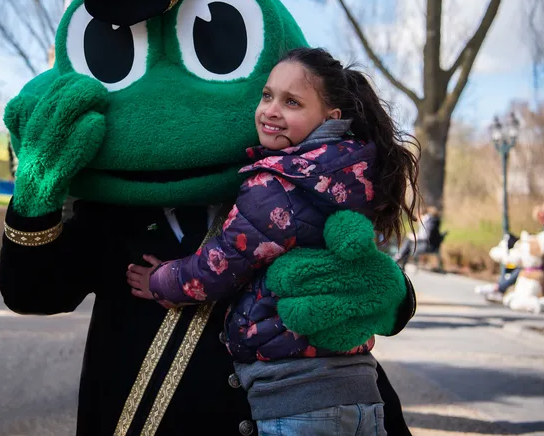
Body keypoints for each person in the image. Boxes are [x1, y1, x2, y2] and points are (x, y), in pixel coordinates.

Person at [0, 0, 416, 435]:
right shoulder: (110, 212)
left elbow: (376, 273)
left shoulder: (310, 181)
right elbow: (32, 293)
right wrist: (35, 193)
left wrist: (385, 294)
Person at [127, 48, 418, 436]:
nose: (271, 110)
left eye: (292, 102)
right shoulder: (356, 174)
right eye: (267, 95)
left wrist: (160, 281)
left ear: (330, 117)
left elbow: (217, 268)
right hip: (361, 391)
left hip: (297, 394)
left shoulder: (277, 185)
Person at [484, 203, 544, 303]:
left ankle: (500, 288)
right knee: (520, 266)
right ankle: (501, 288)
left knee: (523, 269)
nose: (540, 219)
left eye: (542, 216)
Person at [395, 206, 443, 271]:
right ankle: (400, 259)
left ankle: (398, 257)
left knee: (409, 242)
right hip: (428, 244)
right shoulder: (430, 221)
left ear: (420, 215)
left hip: (427, 246)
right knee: (409, 242)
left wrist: (415, 237)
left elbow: (425, 236)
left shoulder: (428, 222)